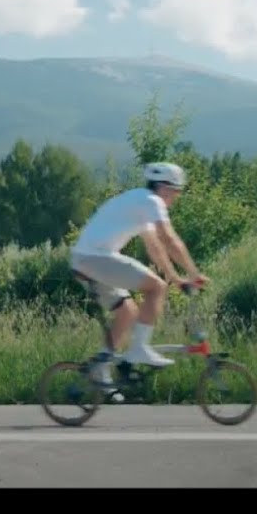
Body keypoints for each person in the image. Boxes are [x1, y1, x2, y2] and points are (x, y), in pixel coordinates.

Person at [68, 162, 207, 394]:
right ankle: (139, 349)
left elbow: (155, 246)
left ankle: (101, 370)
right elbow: (170, 239)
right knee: (156, 288)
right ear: (164, 187)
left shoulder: (139, 201)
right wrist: (194, 273)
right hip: (94, 258)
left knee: (129, 312)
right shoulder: (152, 202)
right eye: (176, 192)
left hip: (88, 259)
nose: (176, 197)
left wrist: (175, 277)